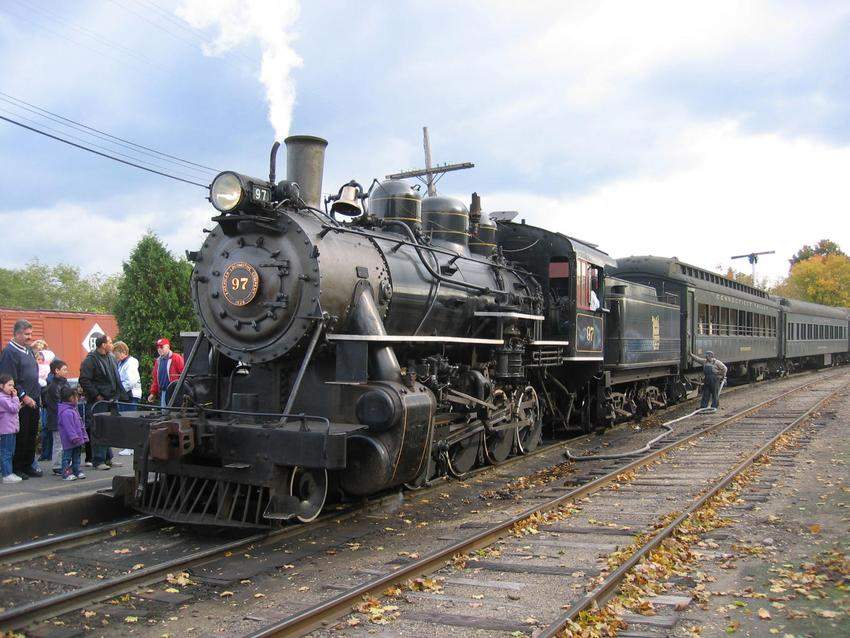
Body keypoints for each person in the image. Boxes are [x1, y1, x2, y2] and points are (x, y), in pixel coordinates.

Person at [0, 319, 42, 478]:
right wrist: (24, 396)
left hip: (35, 398)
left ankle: (28, 464)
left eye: (30, 334)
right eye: (26, 334)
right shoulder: (9, 353)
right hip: (21, 402)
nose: (30, 337)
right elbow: (9, 379)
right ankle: (17, 466)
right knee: (21, 435)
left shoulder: (29, 350)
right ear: (17, 334)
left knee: (32, 434)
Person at [78, 333, 124, 470]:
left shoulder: (110, 357)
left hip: (111, 399)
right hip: (98, 401)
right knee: (99, 429)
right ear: (103, 345)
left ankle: (108, 458)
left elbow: (115, 378)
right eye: (110, 342)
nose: (112, 344)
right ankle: (98, 460)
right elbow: (84, 380)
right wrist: (96, 395)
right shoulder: (90, 360)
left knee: (108, 429)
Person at [113, 341, 140, 456]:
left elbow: (131, 381)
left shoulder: (131, 363)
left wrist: (120, 389)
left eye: (116, 353)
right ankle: (128, 446)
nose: (115, 356)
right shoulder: (122, 363)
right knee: (125, 420)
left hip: (129, 395)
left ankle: (131, 446)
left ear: (123, 352)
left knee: (129, 420)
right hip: (124, 395)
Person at [42, 359, 69, 474]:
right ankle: (58, 465)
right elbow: (56, 405)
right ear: (57, 371)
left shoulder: (63, 383)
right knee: (59, 443)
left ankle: (64, 463)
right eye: (64, 369)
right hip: (57, 419)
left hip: (64, 416)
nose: (67, 371)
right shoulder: (54, 386)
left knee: (65, 442)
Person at [57, 385, 87, 481]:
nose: (78, 398)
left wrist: (83, 435)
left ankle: (76, 470)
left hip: (77, 439)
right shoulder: (66, 412)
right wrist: (74, 437)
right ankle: (66, 473)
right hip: (70, 440)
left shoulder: (73, 410)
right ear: (71, 398)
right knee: (67, 457)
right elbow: (69, 427)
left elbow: (80, 424)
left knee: (76, 456)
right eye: (76, 396)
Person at [148, 338, 184, 407]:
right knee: (165, 413)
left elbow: (184, 375)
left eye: (161, 347)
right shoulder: (158, 361)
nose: (159, 349)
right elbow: (156, 379)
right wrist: (153, 393)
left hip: (175, 392)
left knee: (174, 414)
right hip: (163, 392)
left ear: (168, 347)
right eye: (158, 347)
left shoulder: (176, 358)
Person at [0, 374, 22, 484]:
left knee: (10, 452)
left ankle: (8, 472)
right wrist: (16, 397)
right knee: (6, 452)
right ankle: (6, 475)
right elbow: (14, 408)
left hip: (11, 430)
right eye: (9, 385)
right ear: (1, 386)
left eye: (13, 385)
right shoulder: (2, 399)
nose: (12, 387)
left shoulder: (8, 398)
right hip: (6, 431)